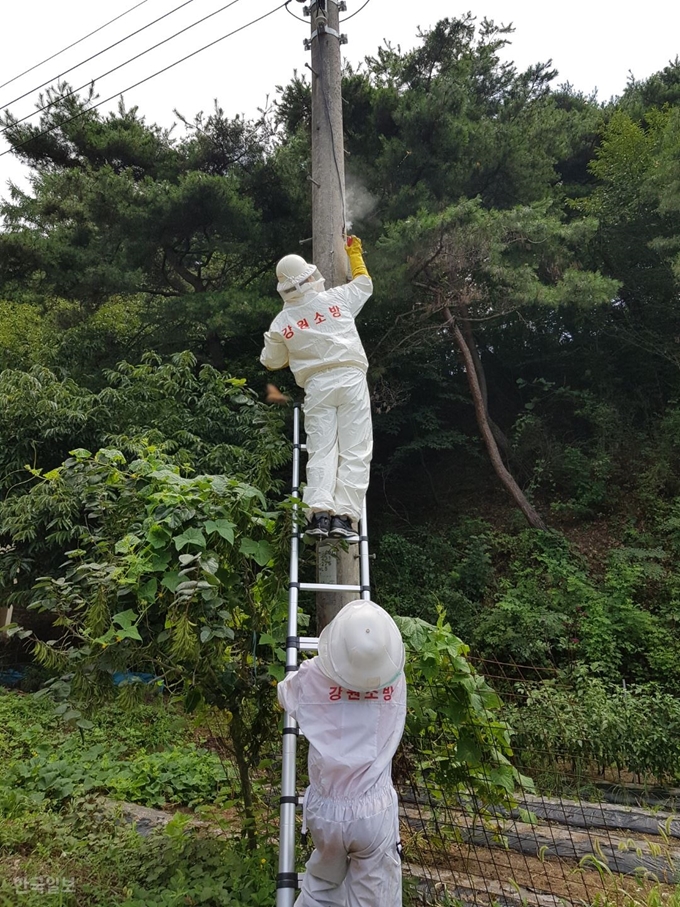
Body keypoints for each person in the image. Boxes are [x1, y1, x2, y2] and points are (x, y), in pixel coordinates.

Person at [277, 600, 407, 907]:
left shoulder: (310, 675)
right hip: (373, 811)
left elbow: (285, 694)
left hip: (326, 811)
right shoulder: (395, 679)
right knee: (375, 899)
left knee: (320, 889)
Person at [260, 237, 373, 542]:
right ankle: (345, 520)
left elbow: (271, 362)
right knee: (355, 449)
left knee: (322, 451)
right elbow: (365, 284)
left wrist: (285, 341)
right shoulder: (337, 298)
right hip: (349, 377)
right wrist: (354, 253)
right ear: (311, 277)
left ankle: (319, 516)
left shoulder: (281, 321)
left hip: (316, 386)